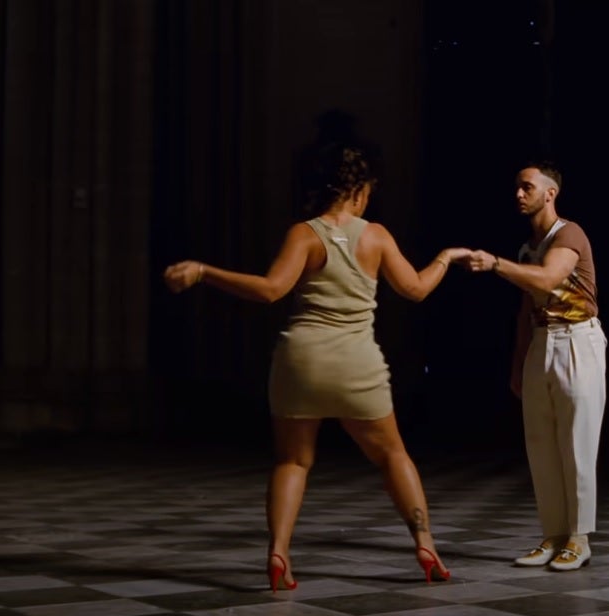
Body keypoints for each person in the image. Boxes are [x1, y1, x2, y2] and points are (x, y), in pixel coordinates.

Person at [164, 143, 467, 591]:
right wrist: (446, 257)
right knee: (391, 454)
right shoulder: (377, 236)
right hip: (356, 363)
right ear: (359, 192)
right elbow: (417, 290)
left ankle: (279, 553)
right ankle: (425, 544)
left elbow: (270, 290)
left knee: (293, 460)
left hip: (301, 360)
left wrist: (205, 272)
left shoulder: (303, 234)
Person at [463, 160, 606, 571]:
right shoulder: (529, 246)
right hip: (542, 344)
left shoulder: (570, 233)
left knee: (576, 444)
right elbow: (527, 308)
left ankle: (579, 539)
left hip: (578, 341)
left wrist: (494, 263)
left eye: (527, 187)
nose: (518, 194)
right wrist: (517, 363)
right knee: (541, 445)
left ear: (550, 193)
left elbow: (546, 280)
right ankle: (553, 534)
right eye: (517, 188)